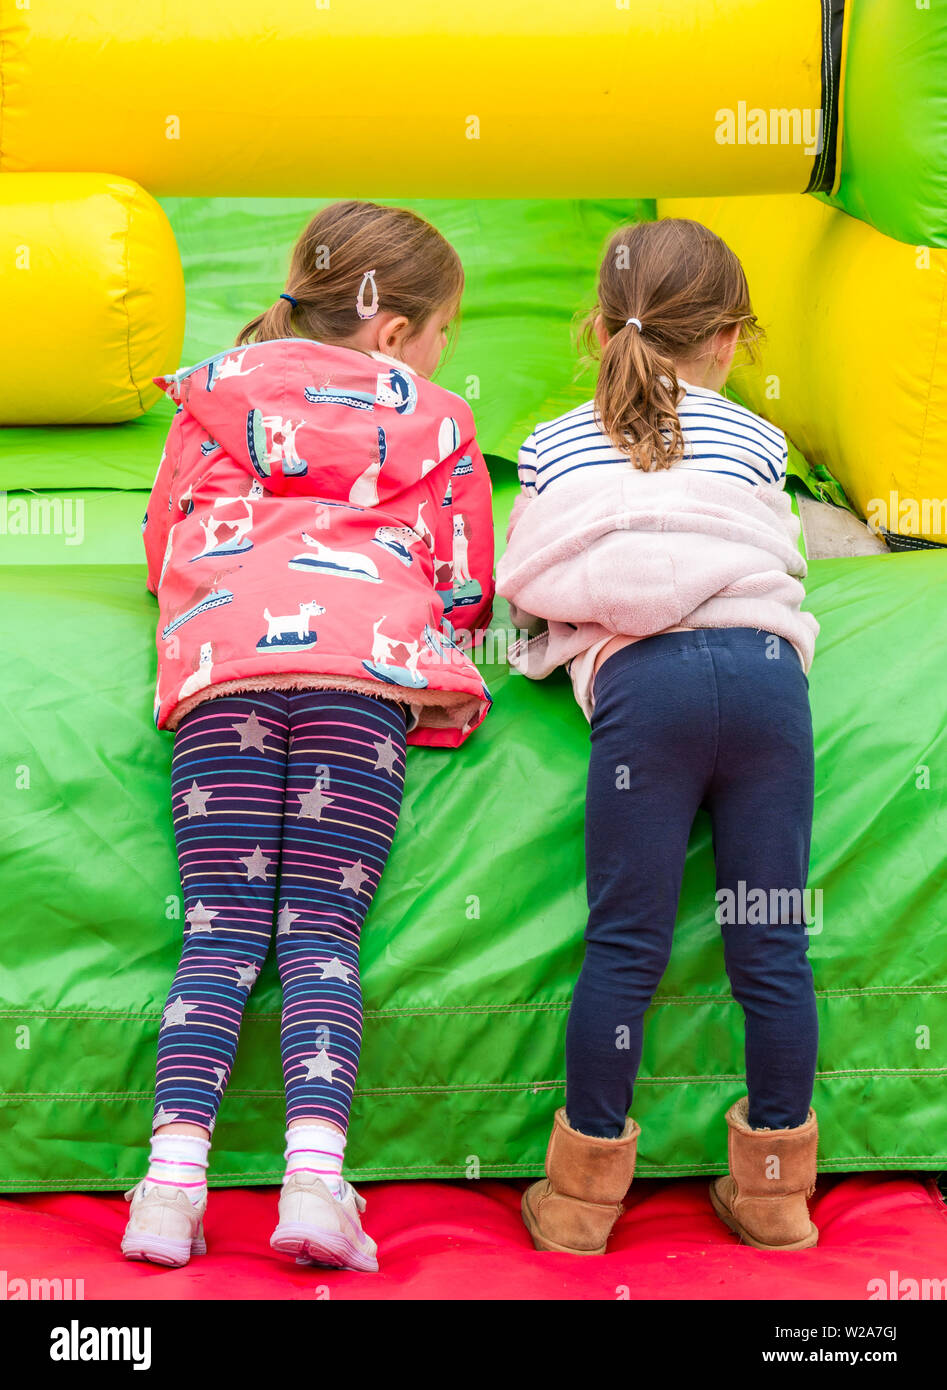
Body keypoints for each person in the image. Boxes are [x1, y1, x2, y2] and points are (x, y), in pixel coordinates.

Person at [123, 200, 494, 1272]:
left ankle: (169, 1185)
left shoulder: (213, 397)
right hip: (358, 676)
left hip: (223, 665)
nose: (437, 356)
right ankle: (315, 1182)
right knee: (321, 939)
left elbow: (160, 552)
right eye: (437, 335)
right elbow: (466, 590)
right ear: (392, 334)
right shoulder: (433, 418)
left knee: (218, 933)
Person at [497, 218, 820, 1255]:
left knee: (624, 944)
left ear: (598, 326)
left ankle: (583, 1199)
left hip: (649, 691)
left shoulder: (550, 442)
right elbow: (779, 545)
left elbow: (533, 581)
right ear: (729, 340)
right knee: (769, 942)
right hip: (766, 680)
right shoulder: (758, 439)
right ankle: (773, 1195)